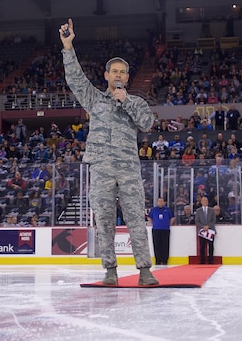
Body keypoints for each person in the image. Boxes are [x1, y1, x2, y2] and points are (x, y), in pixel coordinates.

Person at [59, 18, 158, 286]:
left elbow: (147, 123)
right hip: (101, 167)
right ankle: (110, 271)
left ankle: (145, 270)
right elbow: (76, 80)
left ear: (127, 77)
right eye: (113, 71)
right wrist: (68, 47)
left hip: (128, 169)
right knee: (103, 220)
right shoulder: (94, 99)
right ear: (106, 76)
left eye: (121, 72)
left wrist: (126, 102)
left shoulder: (136, 102)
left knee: (136, 218)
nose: (117, 75)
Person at [148, 197, 174, 266]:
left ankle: (165, 260)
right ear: (157, 202)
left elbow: (172, 218)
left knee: (165, 245)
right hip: (156, 229)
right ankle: (158, 260)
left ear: (164, 202)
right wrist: (153, 224)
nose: (160, 202)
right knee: (157, 245)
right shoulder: (153, 210)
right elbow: (149, 218)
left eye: (162, 201)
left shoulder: (167, 210)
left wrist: (168, 224)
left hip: (165, 229)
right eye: (159, 201)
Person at [195, 195, 216, 264]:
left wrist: (208, 226)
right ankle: (202, 260)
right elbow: (197, 221)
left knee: (211, 245)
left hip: (210, 230)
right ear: (201, 202)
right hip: (202, 231)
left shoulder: (212, 210)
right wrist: (203, 227)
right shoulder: (198, 211)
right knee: (202, 246)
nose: (205, 201)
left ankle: (211, 260)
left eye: (206, 200)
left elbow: (214, 220)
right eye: (204, 200)